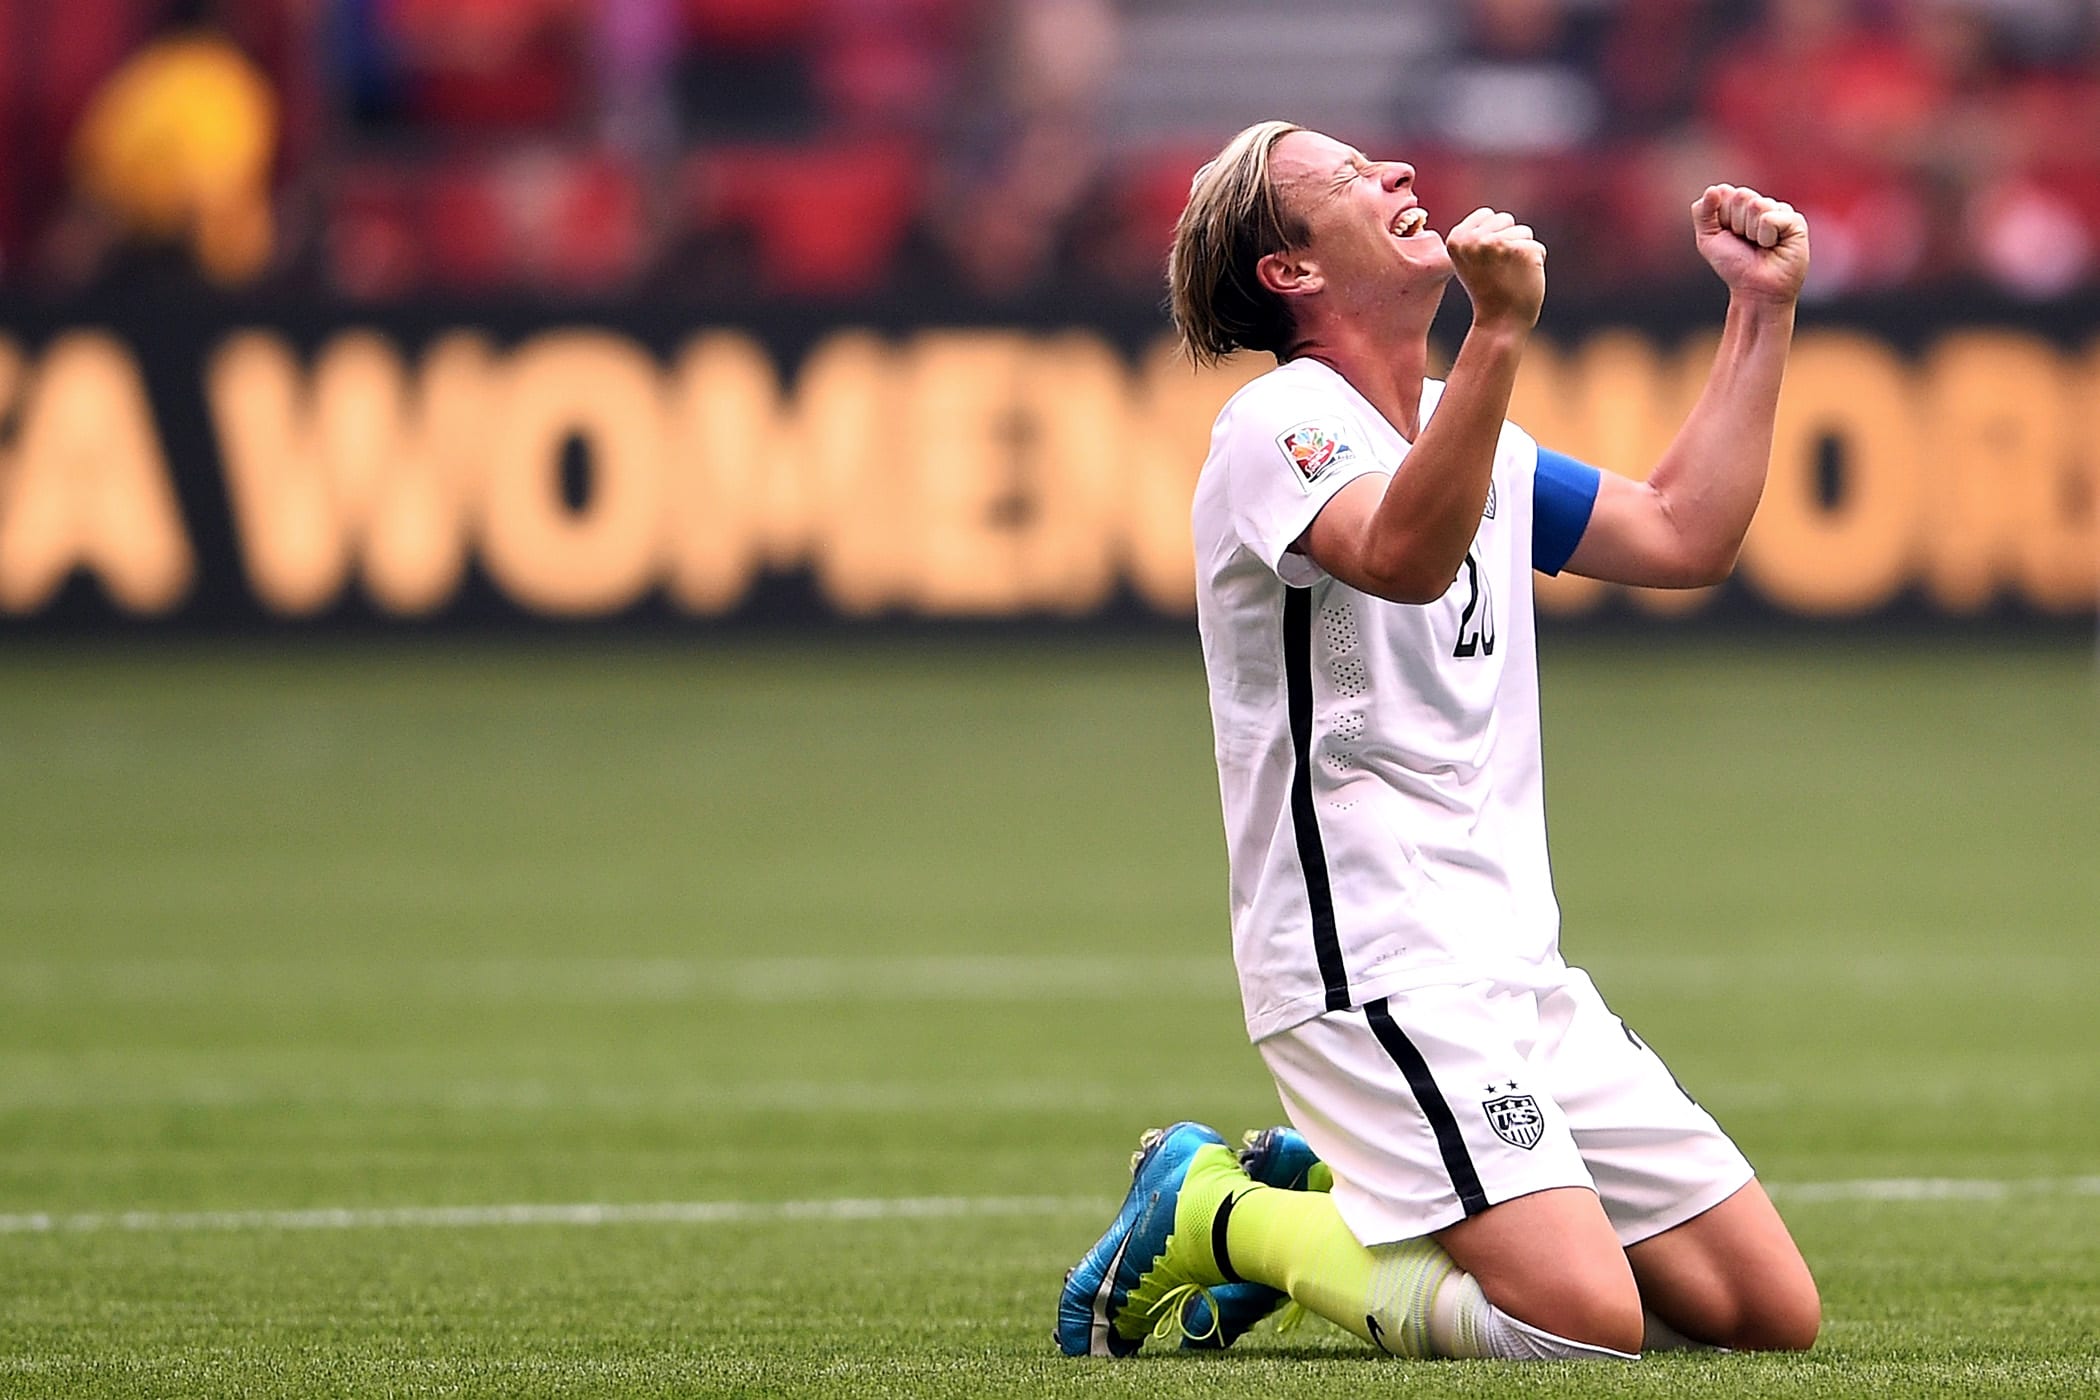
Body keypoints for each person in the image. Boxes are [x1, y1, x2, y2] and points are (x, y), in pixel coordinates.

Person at [1055, 119, 1821, 1363]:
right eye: (1350, 179)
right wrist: (1501, 332)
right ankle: (1223, 1211)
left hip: (1514, 961)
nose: (1398, 175)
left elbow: (1687, 533)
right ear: (1290, 272)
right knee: (1580, 1327)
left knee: (1764, 1313)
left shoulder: (1467, 436)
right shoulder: (1276, 424)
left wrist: (1762, 310)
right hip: (1372, 961)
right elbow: (1401, 556)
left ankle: (1344, 1188)